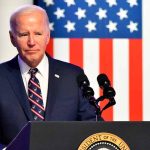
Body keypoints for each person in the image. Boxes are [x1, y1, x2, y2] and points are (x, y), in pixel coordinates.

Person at [0, 5, 103, 146]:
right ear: (12, 38)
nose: (31, 42)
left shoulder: (72, 76)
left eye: (38, 34)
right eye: (24, 34)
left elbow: (93, 127)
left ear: (47, 36)